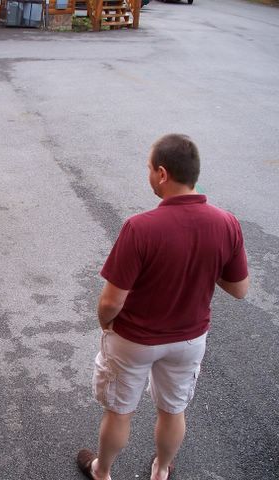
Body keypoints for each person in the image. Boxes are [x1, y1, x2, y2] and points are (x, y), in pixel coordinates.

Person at [77, 134, 249, 480]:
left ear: (162, 173)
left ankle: (102, 471)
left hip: (134, 340)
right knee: (173, 411)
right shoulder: (226, 223)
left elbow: (111, 301)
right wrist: (202, 261)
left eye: (149, 169)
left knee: (120, 412)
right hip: (188, 341)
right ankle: (160, 471)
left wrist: (105, 324)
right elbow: (239, 289)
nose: (149, 175)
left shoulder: (140, 228)